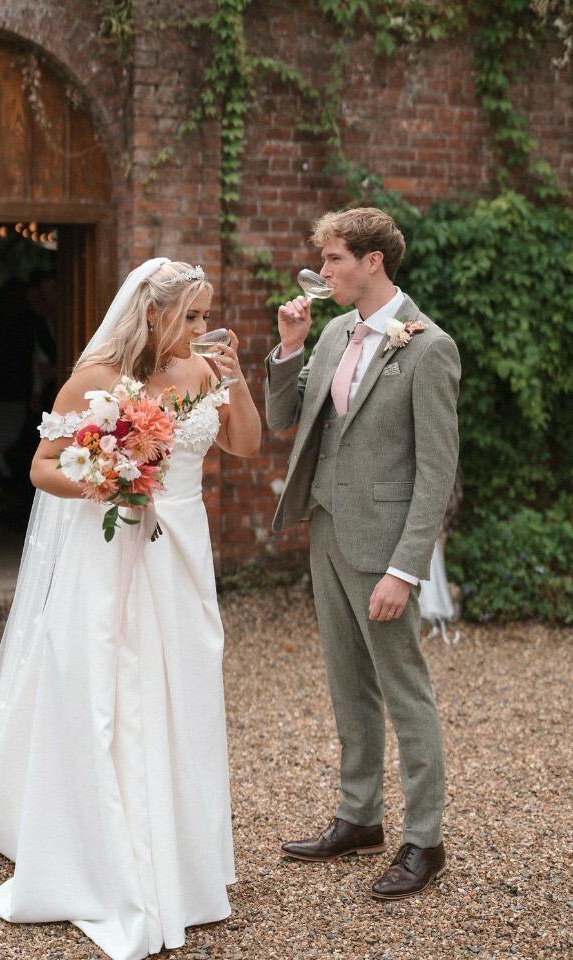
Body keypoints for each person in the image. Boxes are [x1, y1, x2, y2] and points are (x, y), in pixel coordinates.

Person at [0, 258, 261, 960]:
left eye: (206, 316)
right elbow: (41, 466)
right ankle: (103, 848)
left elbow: (245, 445)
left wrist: (236, 373)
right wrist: (108, 484)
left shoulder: (207, 373)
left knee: (184, 691)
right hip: (111, 549)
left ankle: (185, 857)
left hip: (182, 552)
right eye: (193, 317)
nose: (203, 328)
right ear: (153, 316)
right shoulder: (93, 380)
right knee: (108, 691)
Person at [265, 208, 460, 900]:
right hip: (326, 531)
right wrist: (290, 346)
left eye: (335, 260)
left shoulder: (429, 347)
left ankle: (425, 840)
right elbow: (284, 420)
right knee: (348, 687)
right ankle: (359, 817)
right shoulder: (334, 334)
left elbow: (436, 473)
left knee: (405, 693)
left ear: (372, 261)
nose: (324, 272)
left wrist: (406, 569)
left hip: (384, 550)